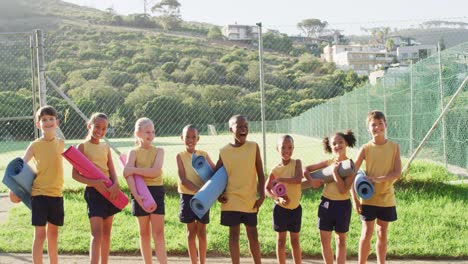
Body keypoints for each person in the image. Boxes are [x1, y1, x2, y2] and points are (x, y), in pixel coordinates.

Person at [10, 105, 64, 264]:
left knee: (53, 234)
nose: (48, 122)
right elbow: (20, 166)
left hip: (56, 195)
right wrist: (14, 188)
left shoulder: (61, 143)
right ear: (38, 124)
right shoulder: (34, 145)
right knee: (40, 235)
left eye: (51, 119)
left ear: (57, 122)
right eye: (44, 119)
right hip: (39, 195)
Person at [352, 110, 401, 264]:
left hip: (386, 197)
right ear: (368, 127)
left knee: (382, 232)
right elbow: (352, 174)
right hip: (368, 198)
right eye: (373, 124)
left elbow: (397, 173)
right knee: (366, 232)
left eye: (380, 124)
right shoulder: (365, 148)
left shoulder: (394, 147)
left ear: (385, 125)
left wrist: (377, 179)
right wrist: (355, 200)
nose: (377, 127)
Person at [72, 112, 121, 264]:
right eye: (97, 126)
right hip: (94, 193)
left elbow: (112, 170)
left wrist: (116, 184)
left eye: (104, 128)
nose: (100, 130)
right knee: (97, 234)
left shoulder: (105, 147)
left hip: (109, 192)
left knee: (106, 234)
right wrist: (94, 183)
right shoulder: (82, 146)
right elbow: (75, 175)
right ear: (89, 126)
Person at [215, 114, 265, 264]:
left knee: (253, 236)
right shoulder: (224, 151)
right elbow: (216, 177)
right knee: (234, 235)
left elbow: (261, 173)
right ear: (231, 129)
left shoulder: (253, 147)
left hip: (249, 200)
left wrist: (262, 195)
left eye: (246, 126)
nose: (244, 129)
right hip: (231, 200)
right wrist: (218, 194)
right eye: (239, 126)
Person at [303, 130, 357, 264]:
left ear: (346, 143)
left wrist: (335, 173)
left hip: (343, 206)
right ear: (330, 147)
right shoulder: (328, 162)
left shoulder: (350, 166)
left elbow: (343, 189)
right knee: (325, 240)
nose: (337, 145)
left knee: (341, 240)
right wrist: (311, 181)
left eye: (340, 142)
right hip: (326, 204)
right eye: (334, 144)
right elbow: (305, 169)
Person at [123, 117, 167, 264]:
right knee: (144, 233)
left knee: (158, 233)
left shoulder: (159, 151)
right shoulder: (133, 152)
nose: (151, 135)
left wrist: (133, 170)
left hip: (156, 191)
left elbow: (155, 171)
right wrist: (136, 195)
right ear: (138, 133)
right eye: (147, 132)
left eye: (153, 132)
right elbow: (127, 175)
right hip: (139, 193)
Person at [176, 124, 215, 264]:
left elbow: (215, 172)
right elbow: (183, 179)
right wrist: (198, 192)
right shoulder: (179, 156)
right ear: (182, 138)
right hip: (188, 197)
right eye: (187, 136)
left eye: (193, 137)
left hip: (203, 198)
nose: (190, 139)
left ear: (198, 139)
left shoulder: (203, 155)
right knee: (191, 232)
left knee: (202, 232)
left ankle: (202, 261)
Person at [265, 135, 303, 264]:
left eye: (290, 147)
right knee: (281, 241)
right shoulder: (275, 170)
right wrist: (277, 199)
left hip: (295, 209)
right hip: (280, 210)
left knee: (295, 241)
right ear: (277, 149)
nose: (287, 150)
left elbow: (298, 179)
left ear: (293, 148)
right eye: (283, 147)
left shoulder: (297, 162)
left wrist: (280, 179)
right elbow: (266, 189)